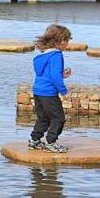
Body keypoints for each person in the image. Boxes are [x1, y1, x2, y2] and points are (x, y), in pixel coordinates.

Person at [29, 24, 72, 153]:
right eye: (67, 41)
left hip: (38, 91)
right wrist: (63, 91)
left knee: (43, 118)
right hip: (49, 94)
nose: (67, 45)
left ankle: (34, 141)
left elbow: (45, 75)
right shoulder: (57, 55)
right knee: (58, 118)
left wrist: (61, 75)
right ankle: (50, 143)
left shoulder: (42, 56)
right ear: (60, 41)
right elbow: (54, 77)